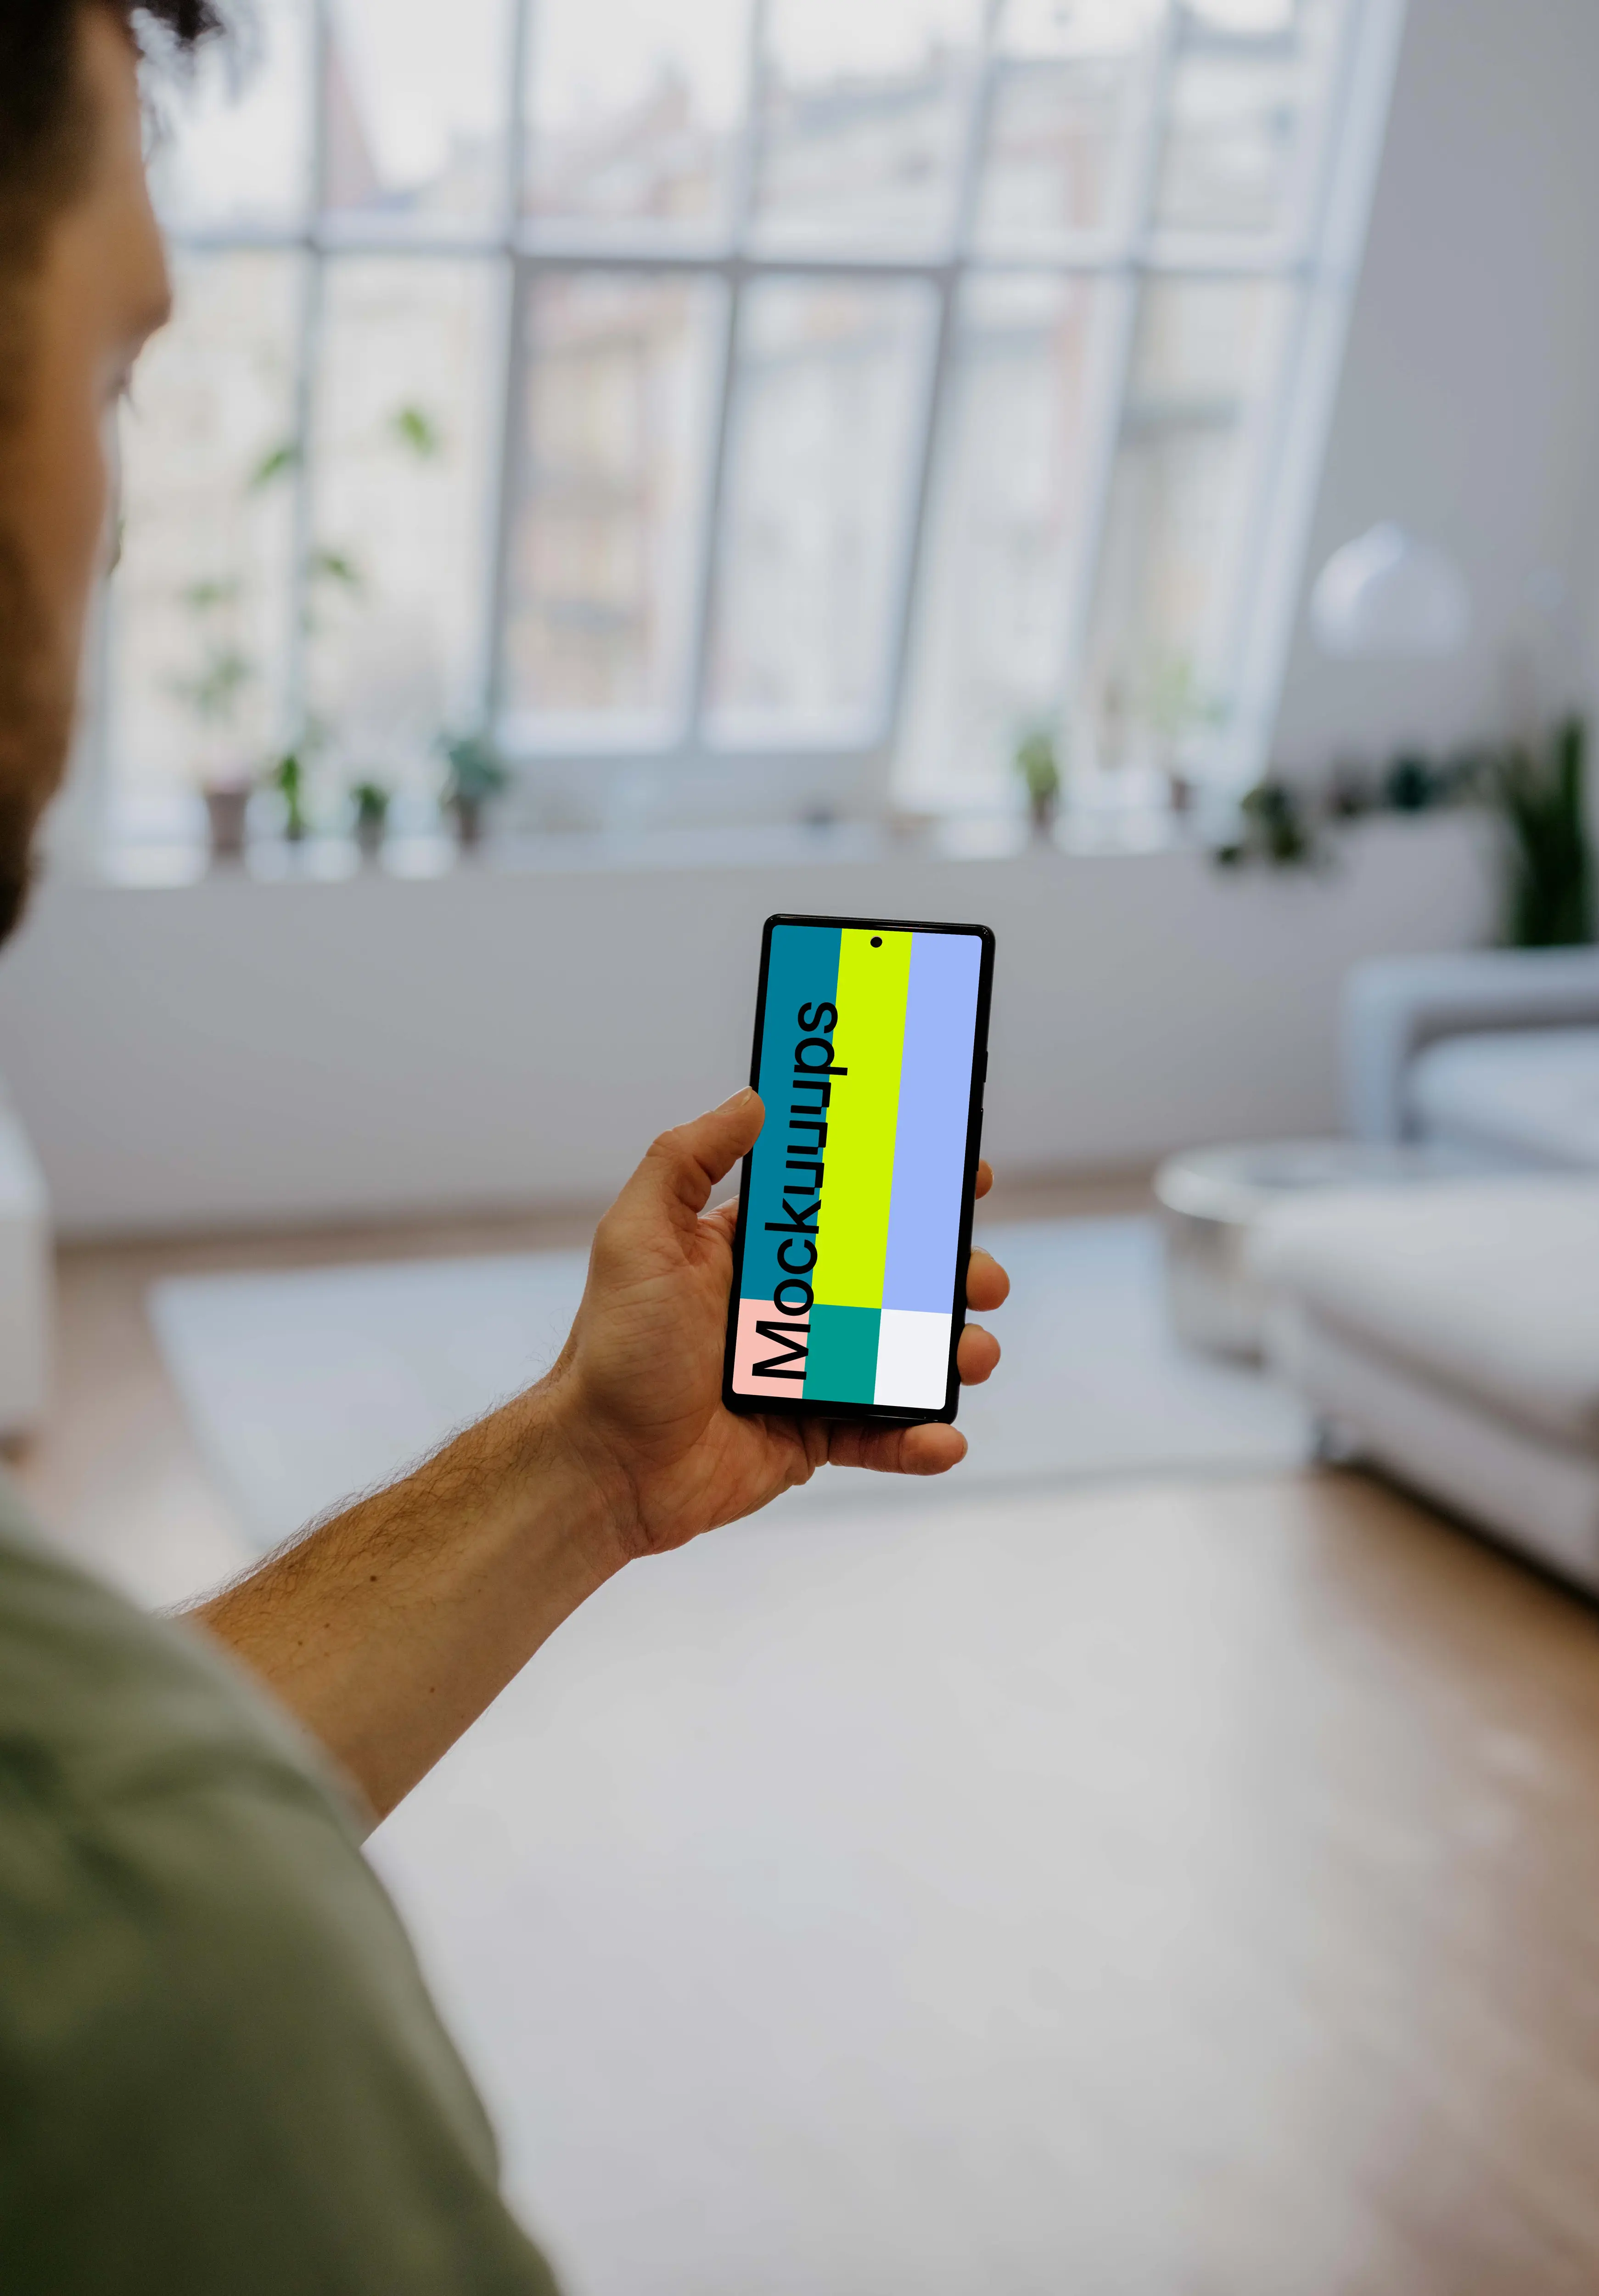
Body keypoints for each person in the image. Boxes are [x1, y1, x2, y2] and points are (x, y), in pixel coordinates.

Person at [0, 5, 1011, 2287]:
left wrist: (592, 1458)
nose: (117, 517)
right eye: (112, 372)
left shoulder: (91, 1827)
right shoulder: (140, 1970)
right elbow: (80, 1830)